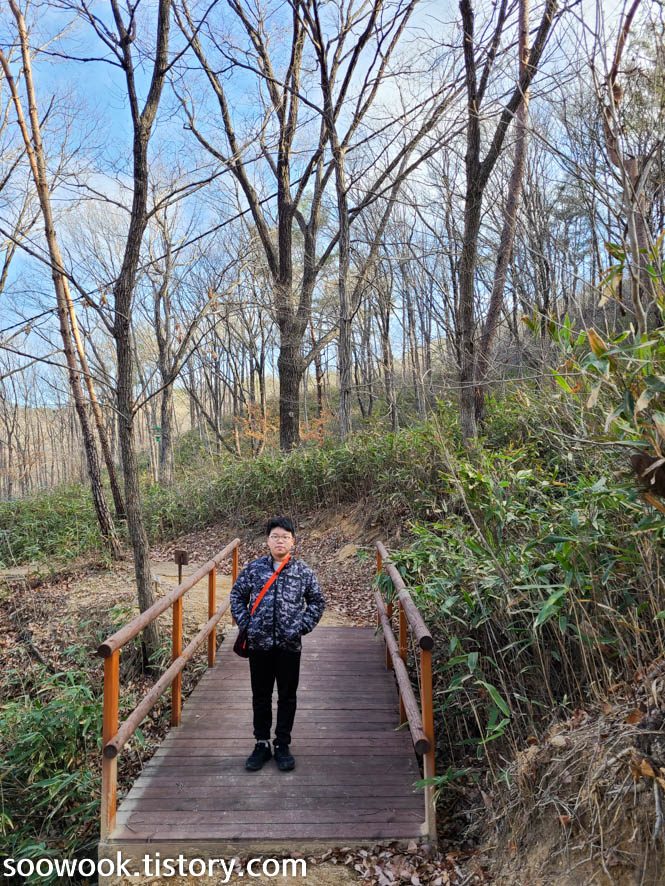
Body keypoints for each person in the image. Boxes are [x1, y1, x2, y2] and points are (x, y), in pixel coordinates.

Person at [230, 517, 325, 772]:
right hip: (259, 645)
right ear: (267, 541)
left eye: (284, 537)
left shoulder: (302, 571)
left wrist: (302, 626)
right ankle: (261, 743)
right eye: (275, 536)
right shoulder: (254, 569)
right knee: (261, 696)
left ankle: (282, 743)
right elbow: (237, 596)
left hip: (289, 646)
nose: (279, 541)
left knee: (287, 696)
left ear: (292, 541)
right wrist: (248, 625)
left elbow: (317, 601)